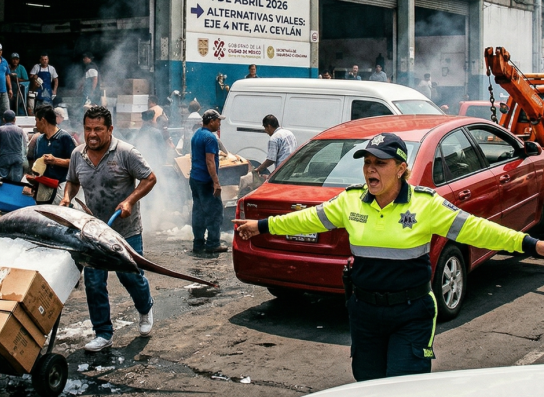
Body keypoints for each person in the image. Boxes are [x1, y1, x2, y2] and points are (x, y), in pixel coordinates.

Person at [233, 132, 544, 381]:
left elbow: (478, 230)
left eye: (380, 163)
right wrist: (260, 226)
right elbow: (307, 219)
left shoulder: (425, 205)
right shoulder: (351, 201)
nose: (370, 169)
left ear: (401, 169)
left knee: (403, 384)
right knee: (367, 382)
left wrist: (531, 245)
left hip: (411, 314)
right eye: (367, 162)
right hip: (365, 312)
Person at [60, 105, 156, 352]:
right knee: (93, 283)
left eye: (98, 129)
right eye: (88, 129)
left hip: (126, 229)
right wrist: (65, 197)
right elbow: (71, 181)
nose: (92, 134)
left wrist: (129, 201)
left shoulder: (126, 152)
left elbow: (150, 178)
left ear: (110, 129)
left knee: (131, 276)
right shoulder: (77, 154)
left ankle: (145, 309)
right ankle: (103, 333)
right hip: (93, 231)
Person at [190, 109, 227, 253]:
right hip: (206, 182)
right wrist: (216, 183)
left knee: (198, 212)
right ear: (211, 121)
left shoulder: (197, 134)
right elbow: (210, 162)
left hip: (195, 179)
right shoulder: (210, 138)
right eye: (218, 121)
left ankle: (198, 243)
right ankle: (213, 244)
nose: (219, 124)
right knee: (215, 212)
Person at [28, 106, 75, 205]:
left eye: (36, 120)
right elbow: (37, 164)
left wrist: (55, 161)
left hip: (61, 187)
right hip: (43, 187)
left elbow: (75, 162)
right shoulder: (40, 140)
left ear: (43, 120)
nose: (36, 125)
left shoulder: (64, 137)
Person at [0, 110, 27, 182]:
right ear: (15, 119)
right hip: (17, 158)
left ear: (4, 119)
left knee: (2, 181)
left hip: (4, 159)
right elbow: (25, 143)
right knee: (16, 182)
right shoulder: (20, 130)